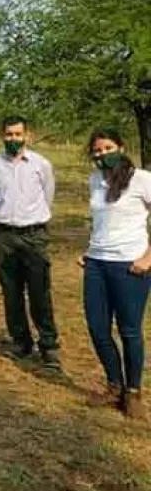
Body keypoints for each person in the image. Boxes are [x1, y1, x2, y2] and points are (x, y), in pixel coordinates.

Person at [79, 127, 151, 419]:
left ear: (121, 148)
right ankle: (114, 385)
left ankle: (133, 392)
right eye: (97, 150)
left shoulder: (142, 179)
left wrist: (148, 257)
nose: (102, 154)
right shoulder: (95, 180)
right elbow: (101, 221)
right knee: (97, 328)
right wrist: (88, 250)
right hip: (97, 263)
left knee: (130, 331)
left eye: (108, 148)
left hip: (130, 264)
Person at [0, 115, 61, 368]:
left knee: (39, 291)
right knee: (11, 291)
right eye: (9, 134)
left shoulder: (41, 165)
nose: (13, 139)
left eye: (18, 134)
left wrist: (33, 220)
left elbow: (47, 196)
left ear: (28, 136)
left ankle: (48, 345)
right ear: (2, 136)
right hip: (5, 235)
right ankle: (21, 341)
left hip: (34, 236)